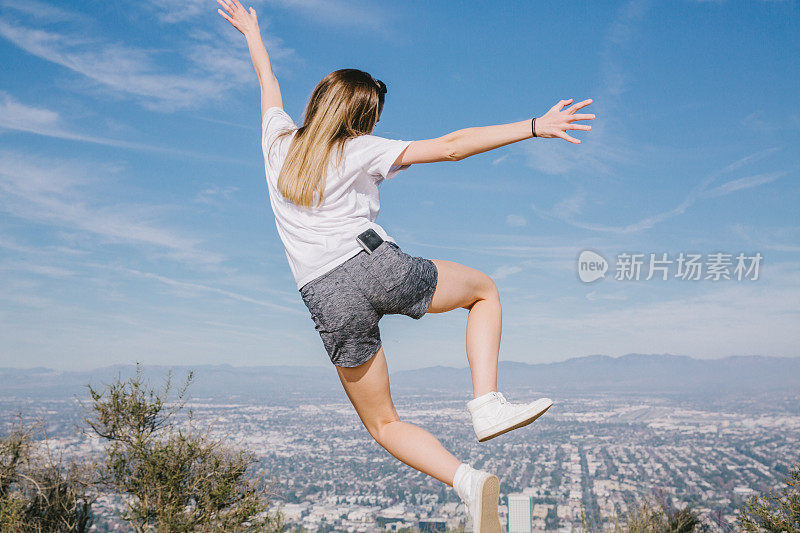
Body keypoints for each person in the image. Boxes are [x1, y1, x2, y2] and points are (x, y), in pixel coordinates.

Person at [218, 2, 595, 531]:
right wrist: (534, 126)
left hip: (327, 297)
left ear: (320, 102)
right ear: (361, 120)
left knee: (384, 423)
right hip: (376, 267)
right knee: (484, 290)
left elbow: (267, 80)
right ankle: (486, 403)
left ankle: (467, 481)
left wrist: (253, 35)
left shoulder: (277, 143)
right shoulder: (360, 149)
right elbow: (451, 147)